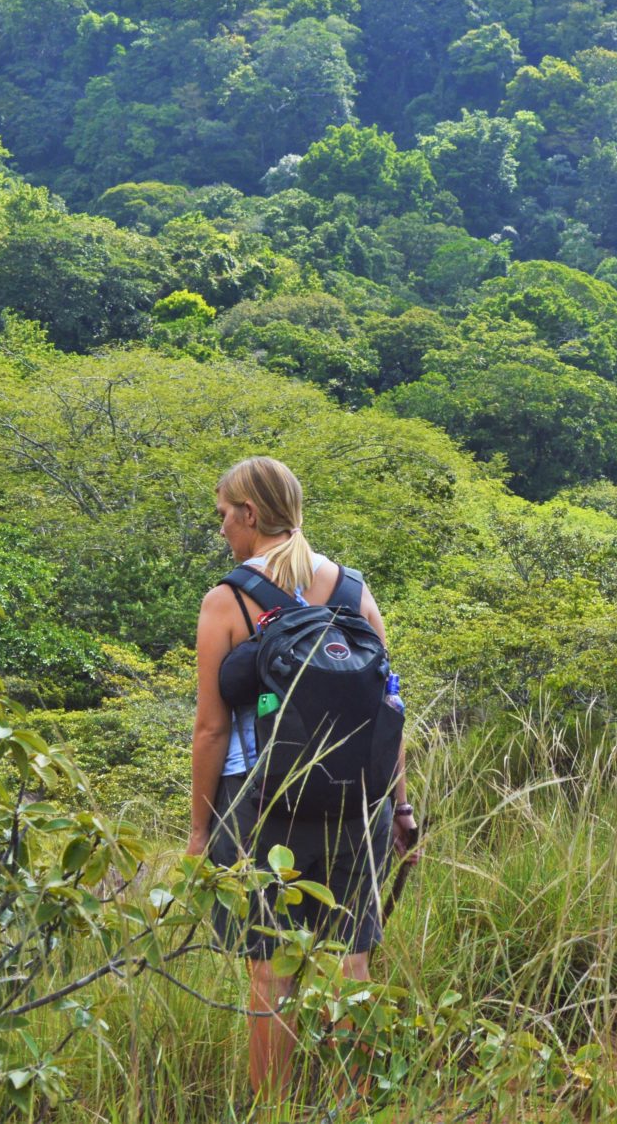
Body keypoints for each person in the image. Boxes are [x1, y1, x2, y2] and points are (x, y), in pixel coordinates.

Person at [187, 455, 418, 1098]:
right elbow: (387, 709)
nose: (223, 530)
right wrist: (399, 808)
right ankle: (355, 1101)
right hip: (357, 805)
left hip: (261, 807)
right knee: (352, 961)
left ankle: (271, 1112)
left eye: (224, 516)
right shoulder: (353, 590)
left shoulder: (227, 600)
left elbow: (210, 730)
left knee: (270, 975)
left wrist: (199, 831)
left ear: (250, 514)